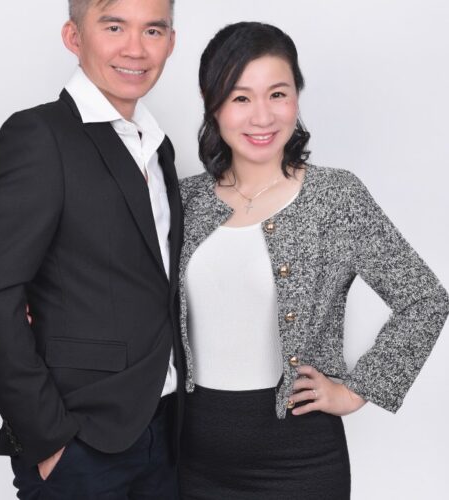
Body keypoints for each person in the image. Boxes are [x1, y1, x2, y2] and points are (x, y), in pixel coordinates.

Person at [177, 22, 449, 500]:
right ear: (211, 102)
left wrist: (358, 389)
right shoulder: (184, 200)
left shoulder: (335, 197)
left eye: (278, 94)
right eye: (240, 98)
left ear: (297, 97)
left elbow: (424, 299)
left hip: (300, 463)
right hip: (190, 459)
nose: (262, 116)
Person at [0, 0, 183, 498]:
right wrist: (48, 439)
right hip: (80, 442)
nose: (135, 48)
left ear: (171, 42)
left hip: (167, 434)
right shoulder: (39, 135)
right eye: (114, 27)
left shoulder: (158, 148)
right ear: (73, 37)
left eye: (153, 30)